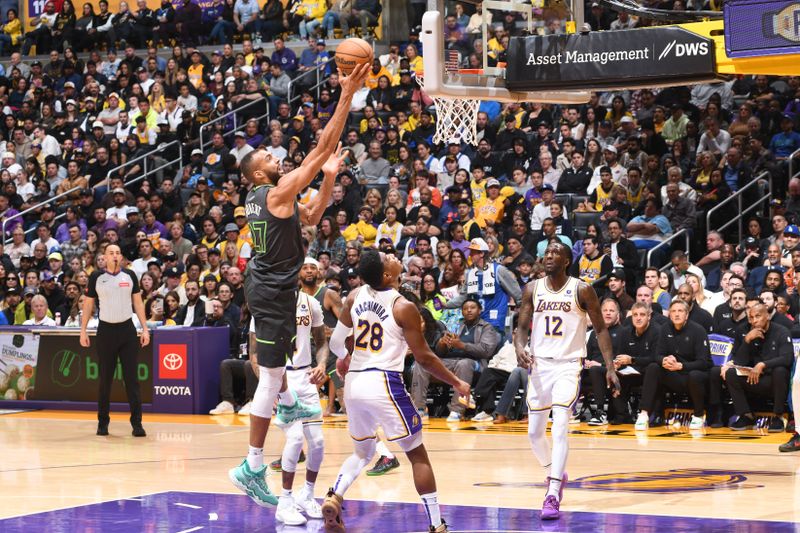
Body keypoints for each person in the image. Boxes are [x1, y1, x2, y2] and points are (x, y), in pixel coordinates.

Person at [229, 62, 369, 508]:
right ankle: (251, 466)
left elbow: (311, 216)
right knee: (269, 377)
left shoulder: (267, 197)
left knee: (278, 374)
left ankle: (287, 406)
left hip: (275, 290)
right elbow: (322, 145)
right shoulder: (273, 191)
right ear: (257, 174)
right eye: (269, 158)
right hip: (270, 292)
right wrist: (346, 94)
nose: (277, 158)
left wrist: (328, 178)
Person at [324, 250, 470, 533]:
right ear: (388, 275)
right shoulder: (402, 306)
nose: (391, 255)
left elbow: (337, 343)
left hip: (355, 383)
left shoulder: (354, 297)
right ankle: (436, 523)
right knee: (417, 454)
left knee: (363, 452)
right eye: (386, 257)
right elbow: (425, 358)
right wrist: (457, 382)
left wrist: (344, 358)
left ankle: (335, 495)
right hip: (384, 383)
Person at [514, 241, 620, 520]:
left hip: (568, 366)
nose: (548, 256)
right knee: (534, 434)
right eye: (546, 252)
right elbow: (521, 328)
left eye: (555, 253)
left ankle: (552, 493)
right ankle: (555, 470)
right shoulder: (532, 289)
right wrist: (519, 347)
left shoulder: (582, 289)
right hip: (539, 366)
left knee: (560, 425)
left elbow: (600, 329)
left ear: (566, 261)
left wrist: (610, 366)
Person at [269, 287, 328, 526]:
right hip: (281, 376)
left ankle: (307, 494)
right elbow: (254, 353)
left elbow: (322, 343)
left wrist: (322, 364)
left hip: (305, 376)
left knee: (318, 442)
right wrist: (269, 387)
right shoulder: (266, 302)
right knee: (294, 440)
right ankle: (285, 501)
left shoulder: (310, 302)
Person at [80, 244, 150, 437]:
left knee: (132, 380)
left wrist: (145, 329)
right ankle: (103, 423)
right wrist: (83, 330)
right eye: (111, 253)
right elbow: (88, 305)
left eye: (118, 252)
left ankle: (137, 423)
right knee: (105, 380)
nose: (115, 256)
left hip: (127, 331)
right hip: (105, 331)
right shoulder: (96, 277)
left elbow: (138, 303)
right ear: (104, 257)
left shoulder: (129, 276)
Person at [709, 303, 792, 432]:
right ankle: (746, 416)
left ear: (768, 316)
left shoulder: (781, 331)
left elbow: (787, 359)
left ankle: (778, 417)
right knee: (731, 373)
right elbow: (738, 361)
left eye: (758, 316)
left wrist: (763, 365)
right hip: (753, 378)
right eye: (751, 317)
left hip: (773, 379)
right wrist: (747, 341)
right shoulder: (743, 330)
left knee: (780, 371)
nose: (754, 321)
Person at [635, 299, 711, 431]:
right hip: (674, 375)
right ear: (669, 314)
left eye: (680, 311)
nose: (676, 314)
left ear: (687, 315)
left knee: (694, 375)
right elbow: (657, 355)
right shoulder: (665, 328)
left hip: (692, 374)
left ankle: (698, 415)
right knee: (653, 367)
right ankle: (644, 413)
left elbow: (705, 362)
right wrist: (664, 360)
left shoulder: (698, 330)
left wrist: (682, 366)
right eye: (673, 311)